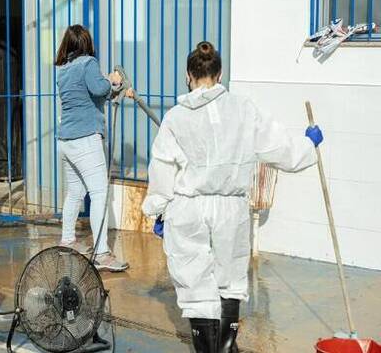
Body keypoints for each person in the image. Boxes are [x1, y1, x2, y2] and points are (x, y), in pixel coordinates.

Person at [142, 41, 323, 353]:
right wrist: (308, 145)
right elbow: (278, 148)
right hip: (230, 207)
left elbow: (162, 169)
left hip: (189, 208)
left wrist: (158, 209)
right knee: (230, 276)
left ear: (188, 75)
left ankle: (207, 349)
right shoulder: (243, 108)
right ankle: (225, 347)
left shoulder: (175, 118)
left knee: (195, 282)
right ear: (220, 73)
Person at [55, 25, 128, 272]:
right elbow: (99, 89)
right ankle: (103, 253)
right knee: (98, 194)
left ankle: (67, 241)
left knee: (74, 193)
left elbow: (88, 96)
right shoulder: (88, 63)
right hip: (86, 139)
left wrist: (111, 88)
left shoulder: (63, 70)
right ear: (86, 43)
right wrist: (113, 80)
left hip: (65, 141)